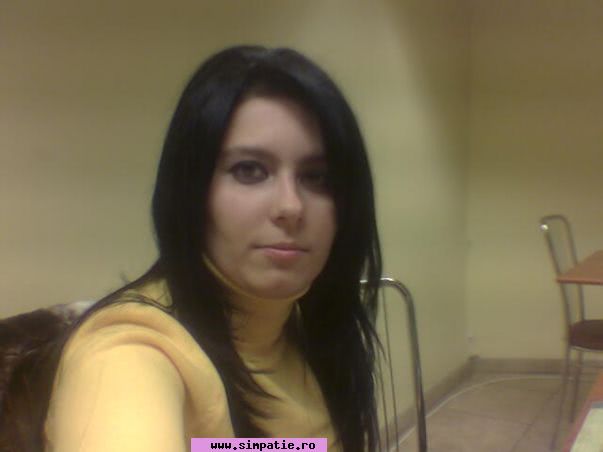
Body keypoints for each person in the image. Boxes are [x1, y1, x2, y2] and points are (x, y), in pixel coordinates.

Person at [3, 45, 383, 452]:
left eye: (318, 177)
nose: (291, 207)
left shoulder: (308, 329)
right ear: (192, 191)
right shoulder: (126, 355)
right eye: (249, 170)